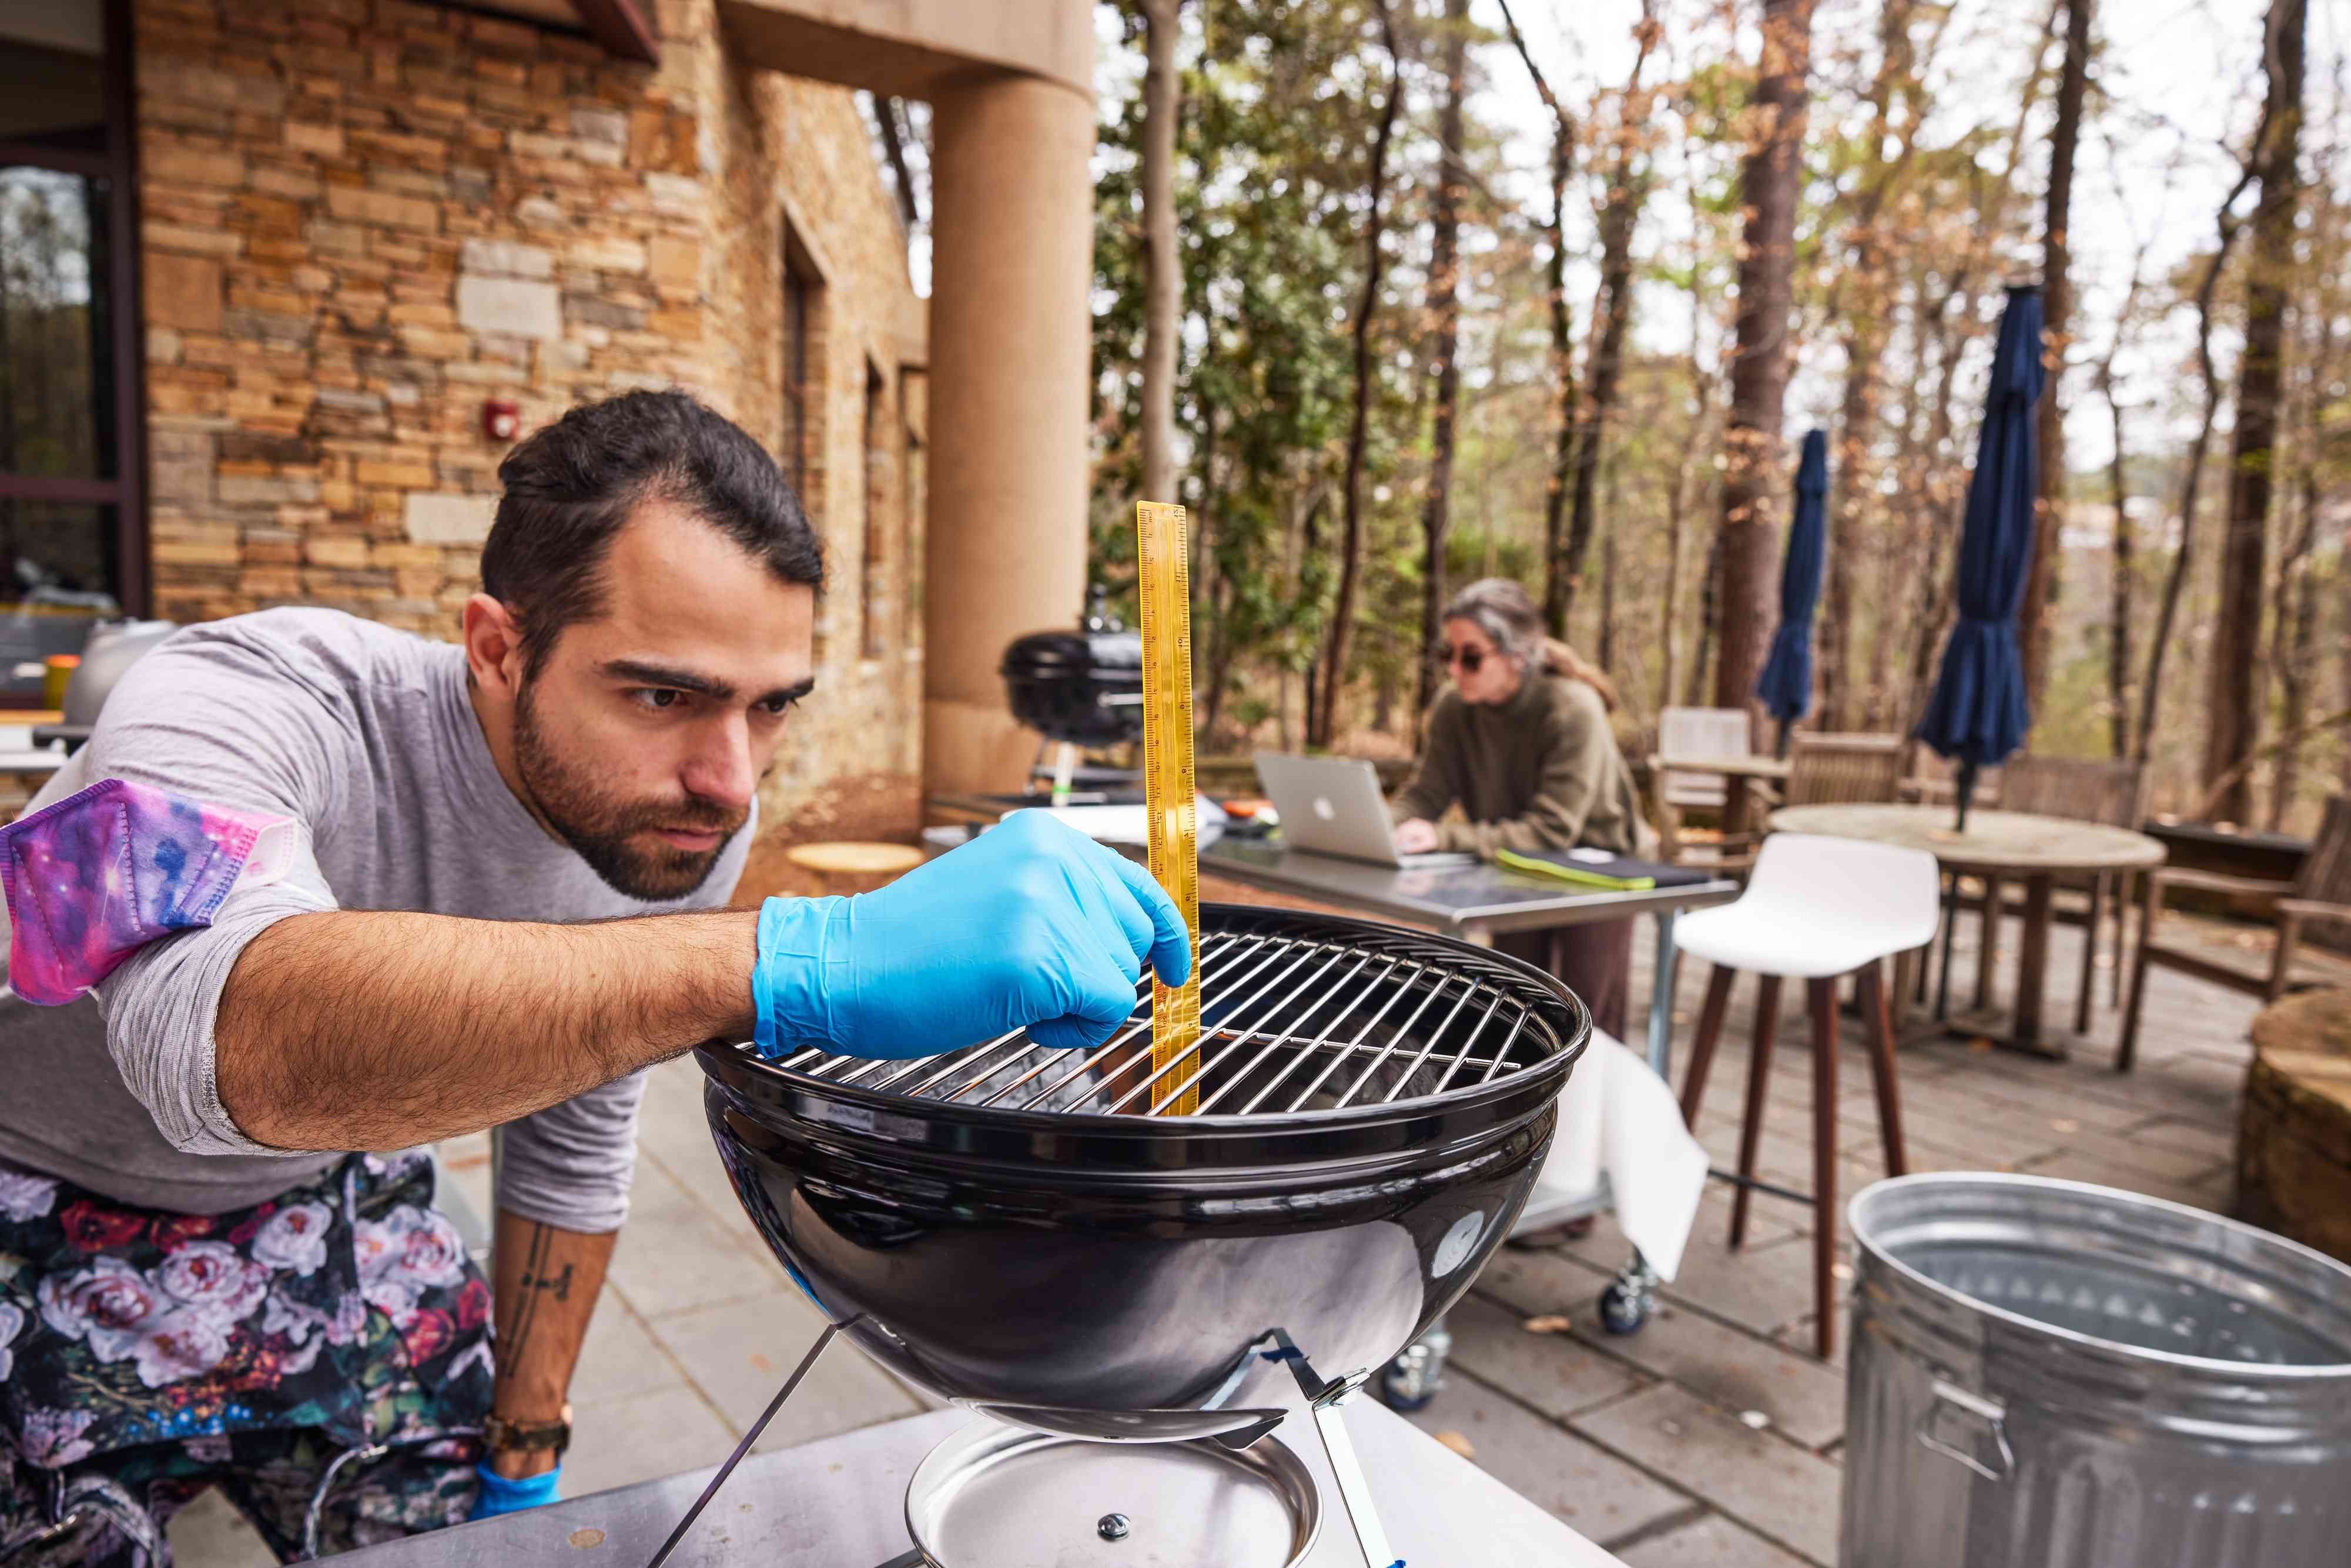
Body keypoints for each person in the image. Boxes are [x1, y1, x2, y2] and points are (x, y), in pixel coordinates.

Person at [0, 391, 1186, 1566]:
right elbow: (212, 1035)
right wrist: (790, 953)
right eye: (663, 694)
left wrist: (528, 1440)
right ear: (497, 645)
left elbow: (581, 1113)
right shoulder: (244, 701)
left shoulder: (681, 808)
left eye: (769, 705)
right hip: (32, 1201)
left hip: (329, 1200)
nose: (728, 781)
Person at [1392, 578, 1654, 1038]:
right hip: (1516, 867)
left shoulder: (1572, 708)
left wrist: (1445, 836)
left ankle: (1586, 1109)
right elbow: (1426, 794)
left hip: (1600, 871)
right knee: (1512, 1011)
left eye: (1470, 657)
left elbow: (1553, 830)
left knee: (1586, 1022)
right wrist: (1380, 828)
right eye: (1446, 655)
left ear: (1516, 656)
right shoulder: (1454, 708)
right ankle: (1519, 1111)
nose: (1454, 669)